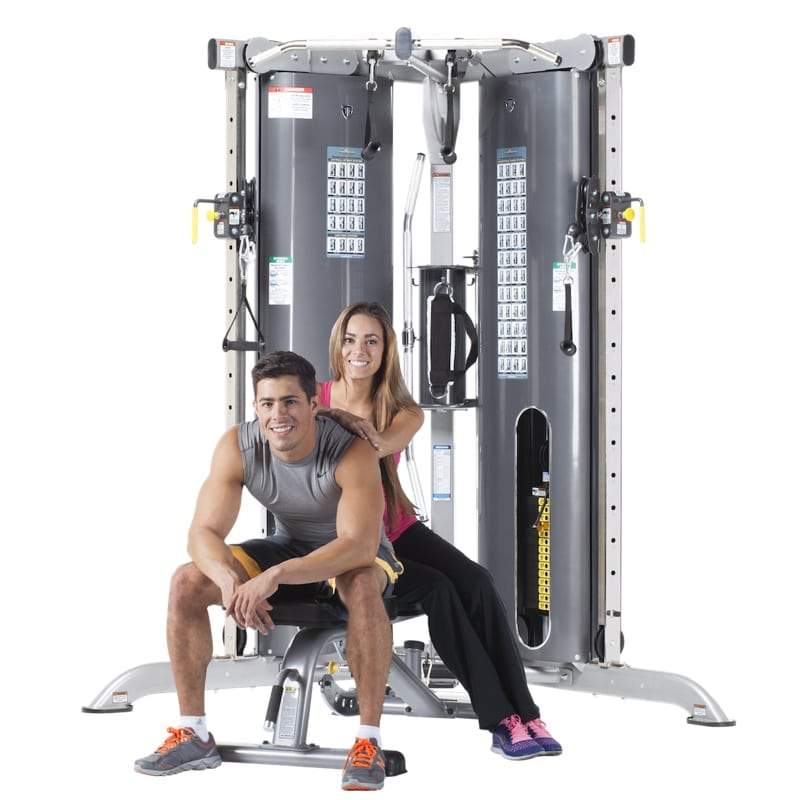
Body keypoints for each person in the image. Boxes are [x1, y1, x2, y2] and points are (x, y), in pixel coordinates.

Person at [134, 350, 402, 791]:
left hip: (355, 554)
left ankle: (367, 741)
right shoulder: (237, 446)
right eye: (267, 403)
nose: (279, 415)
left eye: (290, 402)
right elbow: (202, 532)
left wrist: (274, 577)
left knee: (360, 586)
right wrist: (228, 580)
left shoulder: (351, 450)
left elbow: (357, 544)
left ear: (313, 404)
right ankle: (194, 733)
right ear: (256, 406)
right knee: (187, 581)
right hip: (288, 545)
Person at [317, 302, 562, 760]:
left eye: (371, 341)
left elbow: (376, 447)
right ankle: (501, 720)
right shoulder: (314, 395)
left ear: (386, 350)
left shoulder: (404, 411)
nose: (358, 350)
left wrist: (341, 420)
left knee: (478, 582)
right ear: (338, 344)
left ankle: (527, 713)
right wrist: (333, 415)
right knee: (441, 592)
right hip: (355, 538)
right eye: (350, 340)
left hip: (397, 527)